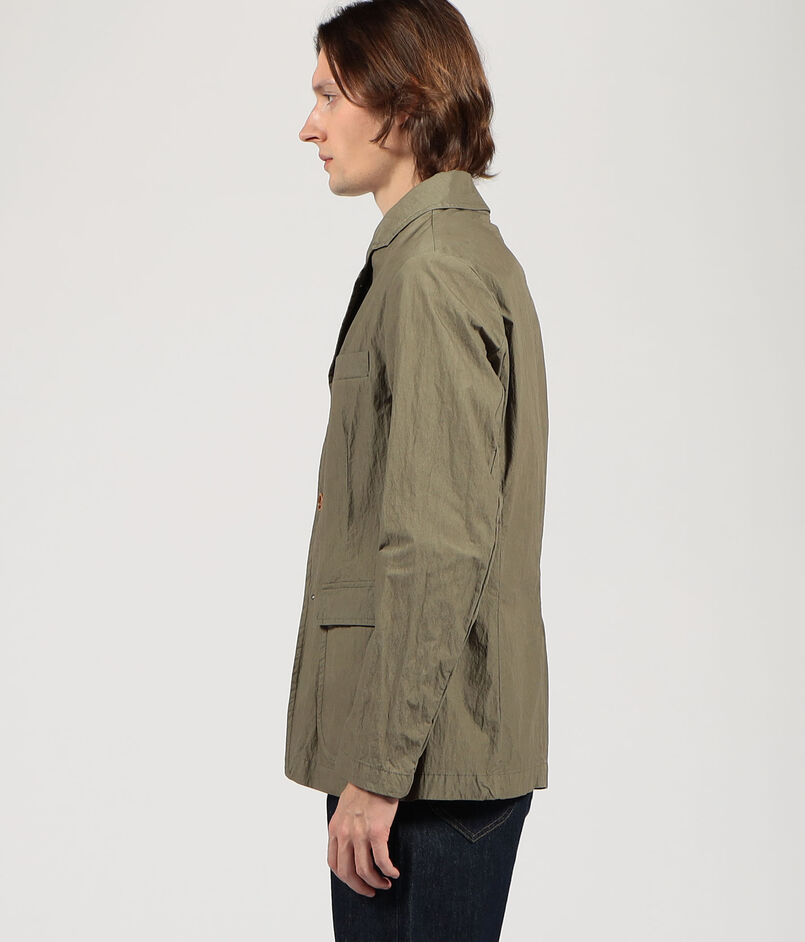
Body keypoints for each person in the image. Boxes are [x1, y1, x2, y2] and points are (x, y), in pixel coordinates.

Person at [284, 1, 550, 938]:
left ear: (403, 107)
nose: (309, 125)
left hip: (420, 775)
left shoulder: (432, 270)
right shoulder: (431, 256)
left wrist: (377, 770)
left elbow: (436, 543)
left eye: (329, 95)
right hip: (419, 761)